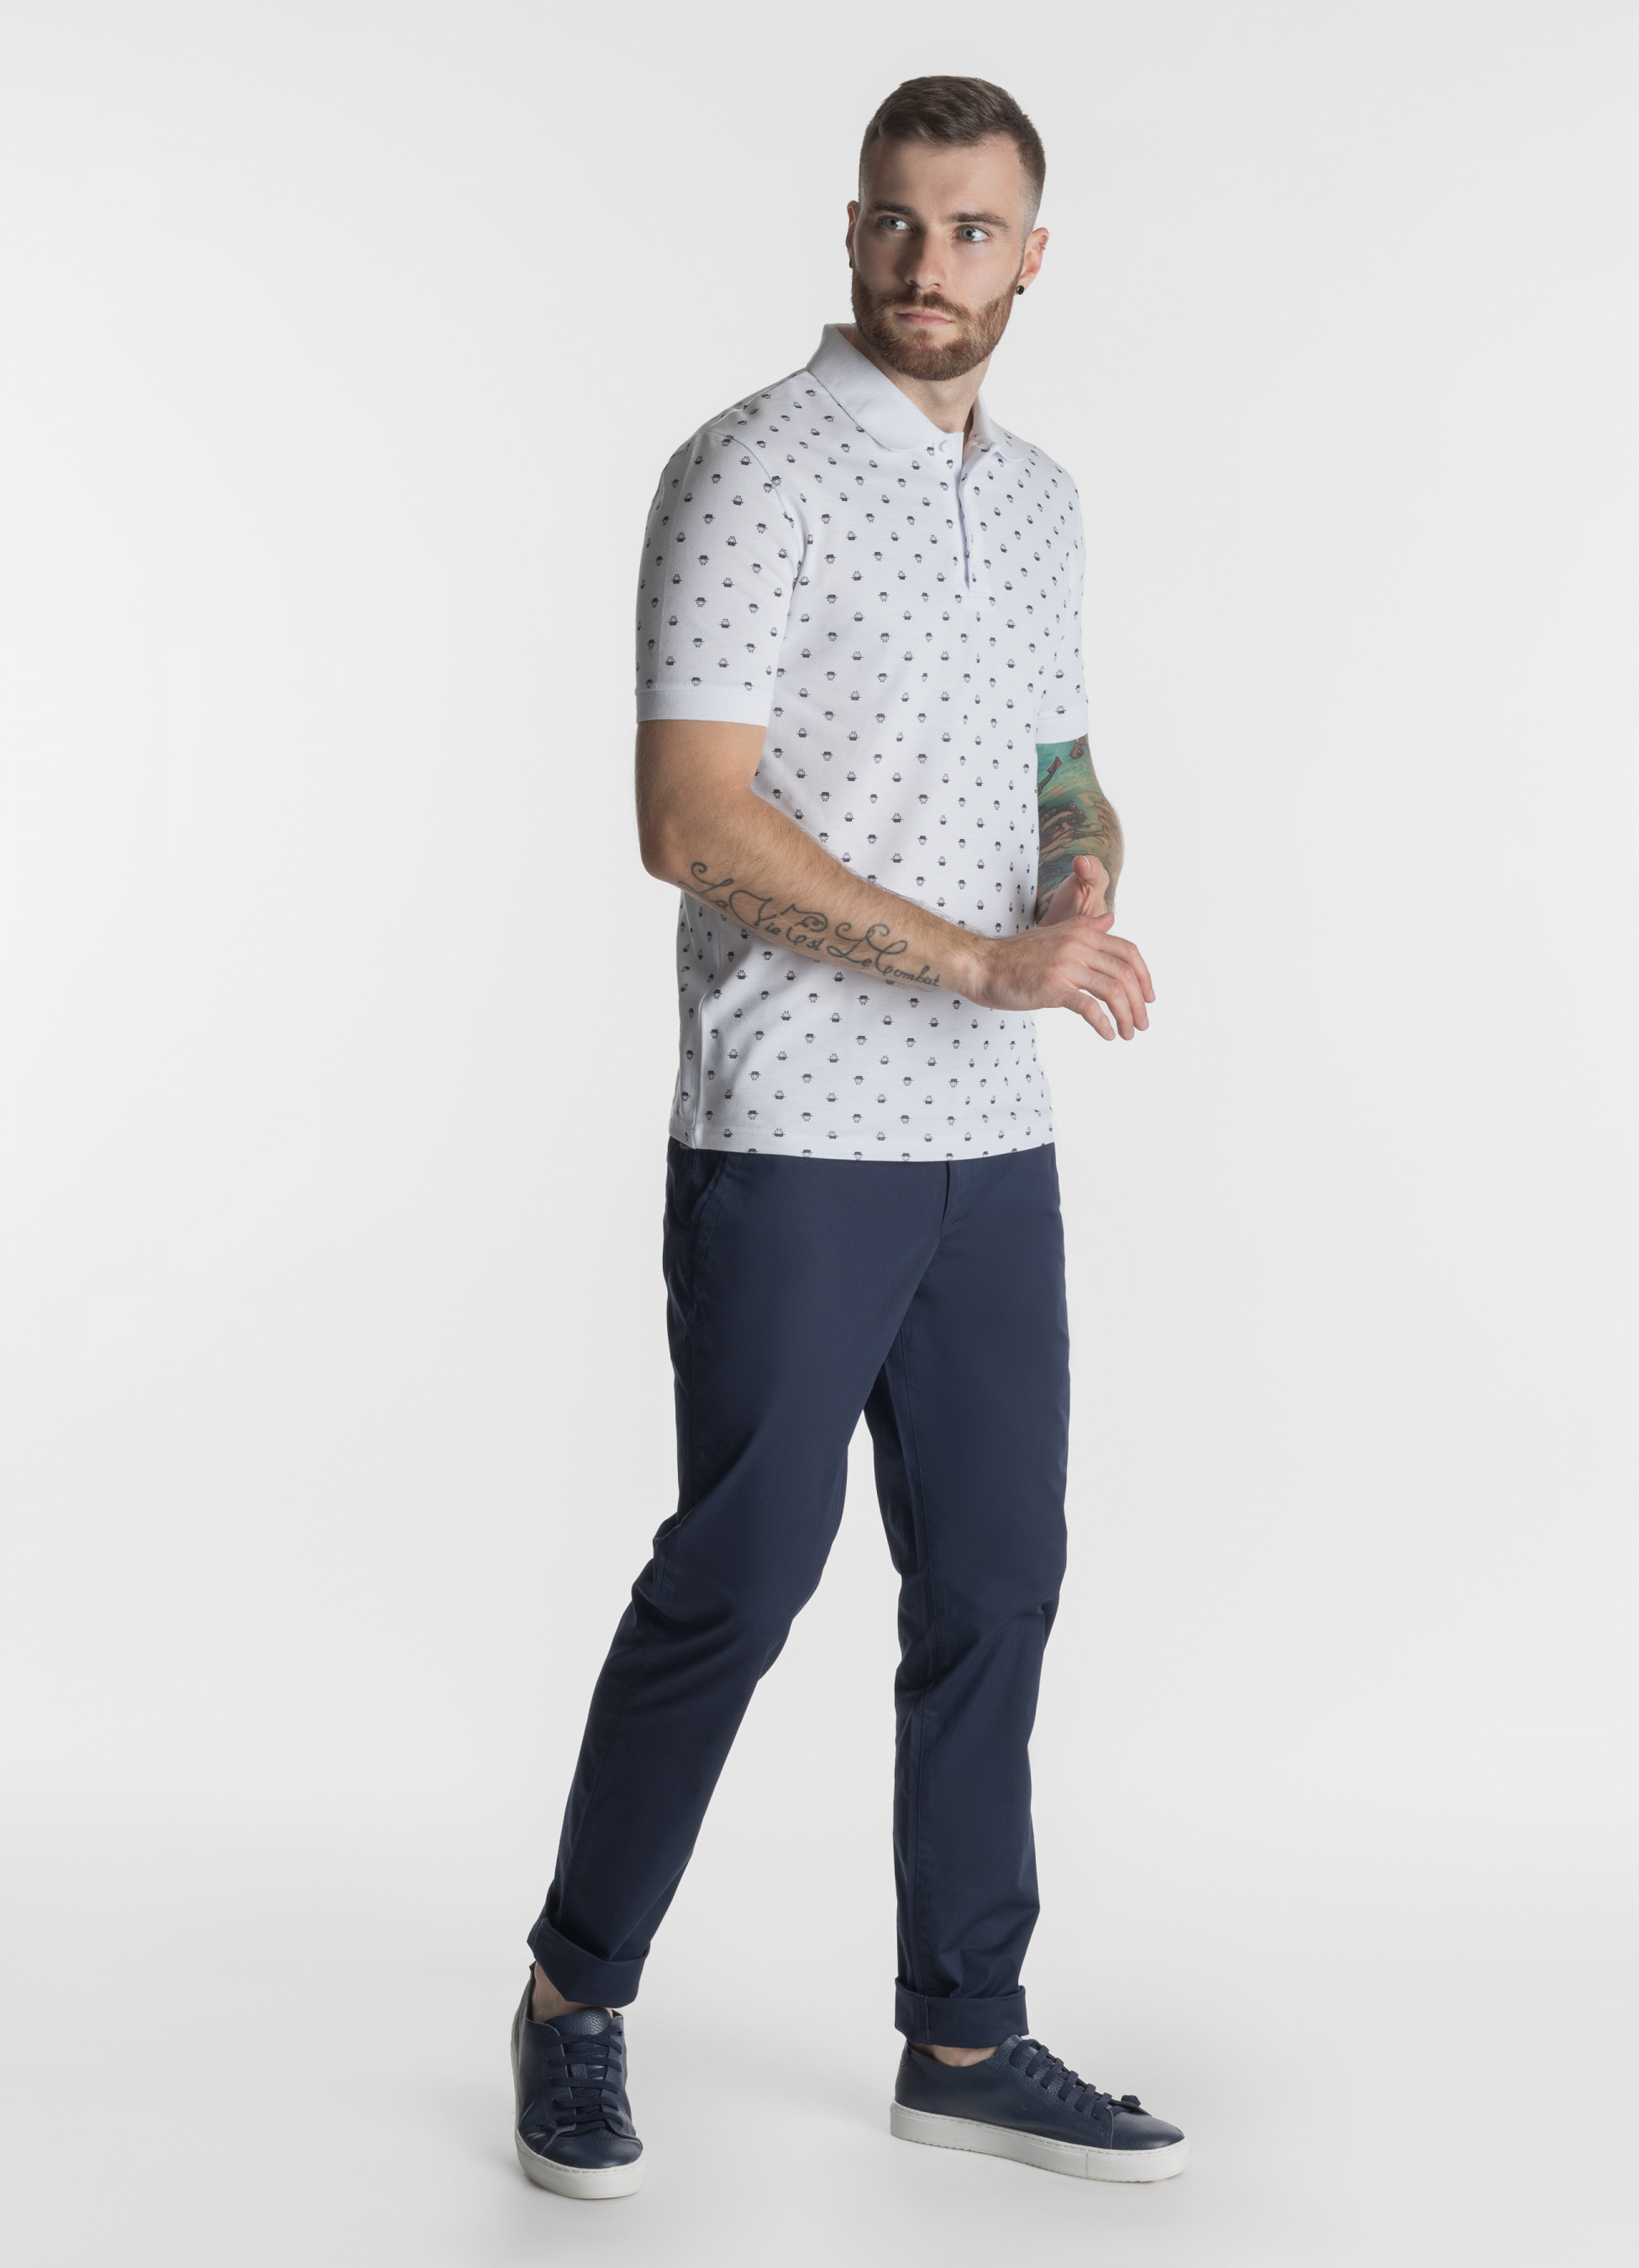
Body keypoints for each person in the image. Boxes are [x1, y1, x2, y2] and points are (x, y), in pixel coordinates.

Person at [511, 74, 1188, 2197]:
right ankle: (570, 2000)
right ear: (848, 229)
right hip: (793, 1124)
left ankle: (964, 2034)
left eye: (970, 230)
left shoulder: (1043, 498)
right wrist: (971, 961)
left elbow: (1062, 755)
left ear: (1031, 256)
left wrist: (1075, 868)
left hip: (992, 1141)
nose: (926, 264)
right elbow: (685, 821)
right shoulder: (747, 470)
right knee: (742, 1572)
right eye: (895, 221)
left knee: (994, 1580)